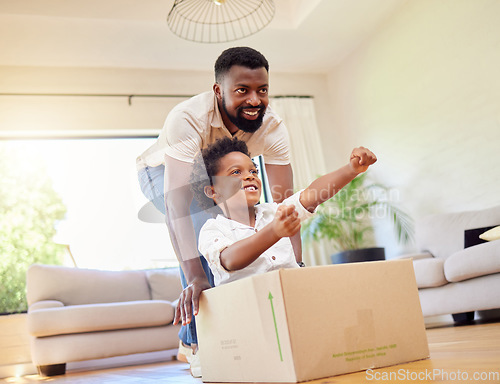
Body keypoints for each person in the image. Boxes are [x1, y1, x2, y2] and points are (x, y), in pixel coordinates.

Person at [136, 47, 300, 376]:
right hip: (163, 174)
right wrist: (196, 276)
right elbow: (177, 206)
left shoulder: (272, 128)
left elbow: (284, 205)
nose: (255, 100)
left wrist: (296, 264)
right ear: (218, 91)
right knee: (207, 235)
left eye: (262, 90)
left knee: (249, 235)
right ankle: (197, 343)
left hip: (222, 174)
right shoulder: (187, 118)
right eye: (242, 90)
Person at [191, 137, 377, 286]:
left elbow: (312, 195)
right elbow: (230, 259)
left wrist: (351, 170)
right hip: (251, 311)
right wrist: (274, 231)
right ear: (213, 191)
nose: (250, 176)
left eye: (253, 171)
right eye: (235, 172)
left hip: (295, 296)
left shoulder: (274, 211)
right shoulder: (213, 229)